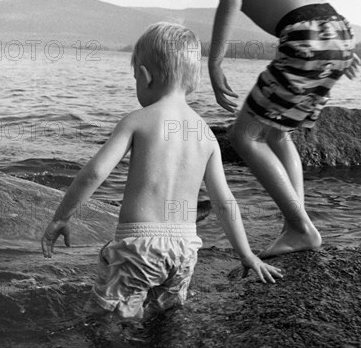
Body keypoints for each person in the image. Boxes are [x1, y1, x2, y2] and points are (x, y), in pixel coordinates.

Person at [41, 22, 282, 320]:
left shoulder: (137, 120)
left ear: (145, 75)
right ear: (192, 81)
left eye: (135, 79)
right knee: (164, 320)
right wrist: (247, 254)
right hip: (184, 249)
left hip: (140, 245)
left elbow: (94, 173)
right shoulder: (206, 135)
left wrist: (61, 217)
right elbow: (224, 202)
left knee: (106, 320)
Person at [172, 0, 361, 258]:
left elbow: (231, 1)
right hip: (335, 28)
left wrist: (214, 62)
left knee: (245, 137)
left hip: (304, 34)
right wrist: (339, 48)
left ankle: (300, 227)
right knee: (277, 132)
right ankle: (298, 221)